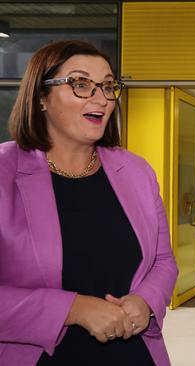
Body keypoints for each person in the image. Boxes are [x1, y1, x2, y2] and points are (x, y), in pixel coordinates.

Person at [0, 40, 178, 365]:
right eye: (81, 84)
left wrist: (146, 301)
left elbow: (163, 261)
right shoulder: (3, 172)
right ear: (41, 96)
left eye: (108, 86)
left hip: (134, 354)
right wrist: (74, 309)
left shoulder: (137, 171)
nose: (101, 98)